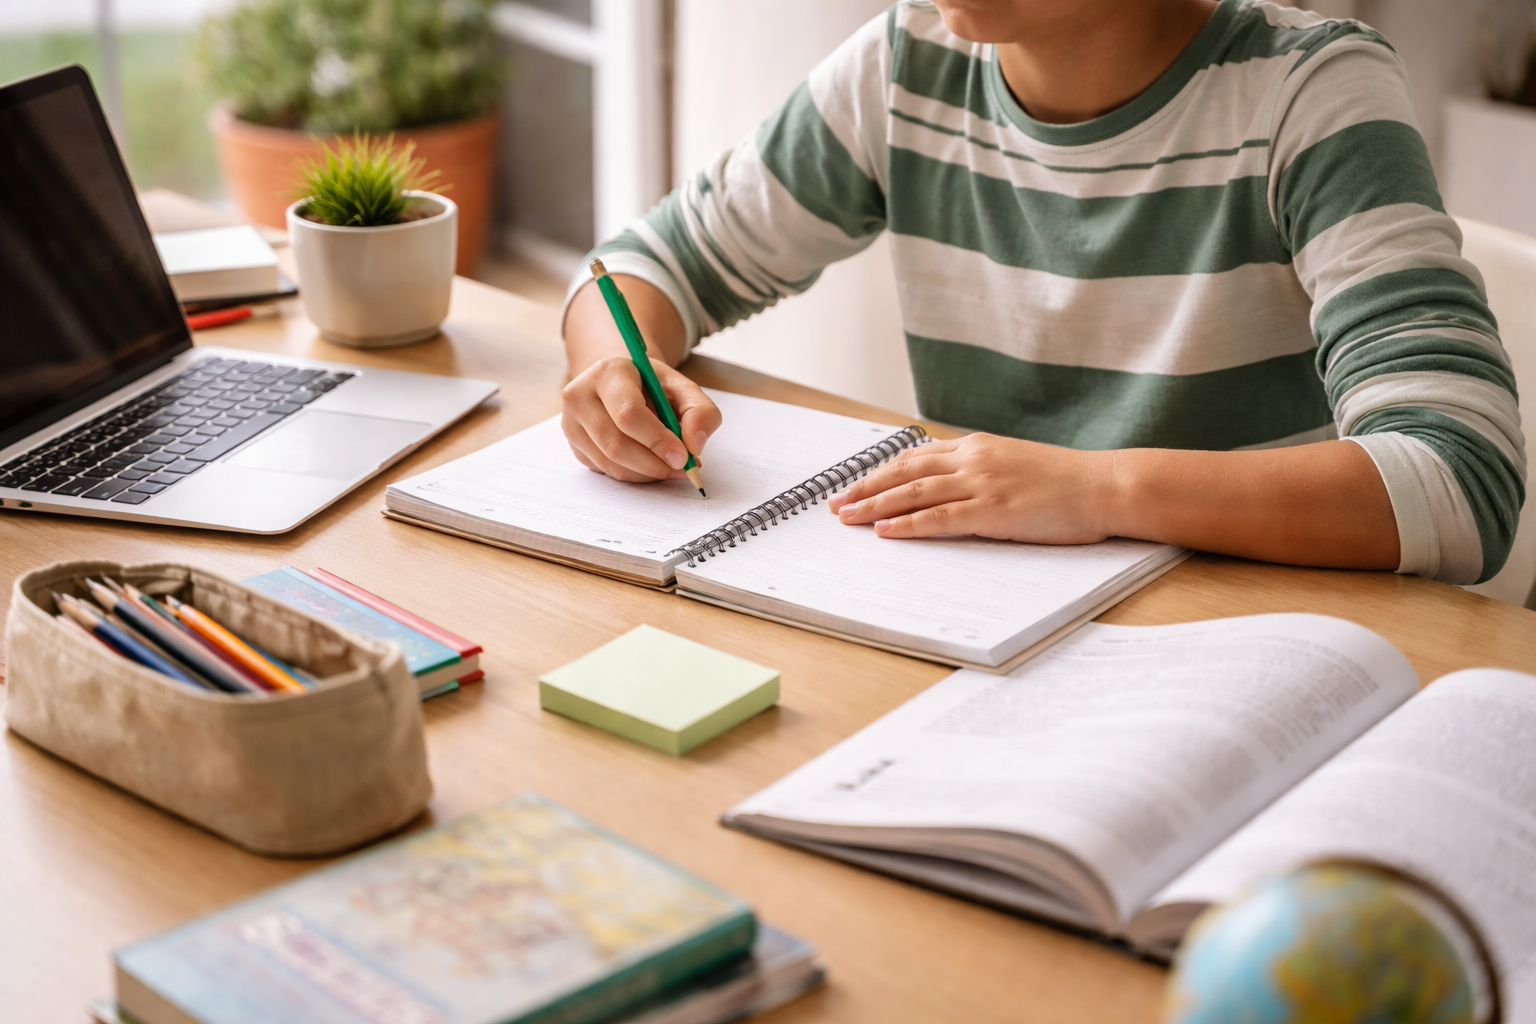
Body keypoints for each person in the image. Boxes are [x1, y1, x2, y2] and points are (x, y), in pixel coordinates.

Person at [560, 0, 1525, 584]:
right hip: (993, 624)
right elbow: (646, 265)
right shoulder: (906, 63)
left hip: (1250, 628)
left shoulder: (1309, 92)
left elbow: (1460, 482)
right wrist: (614, 372)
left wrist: (1096, 487)